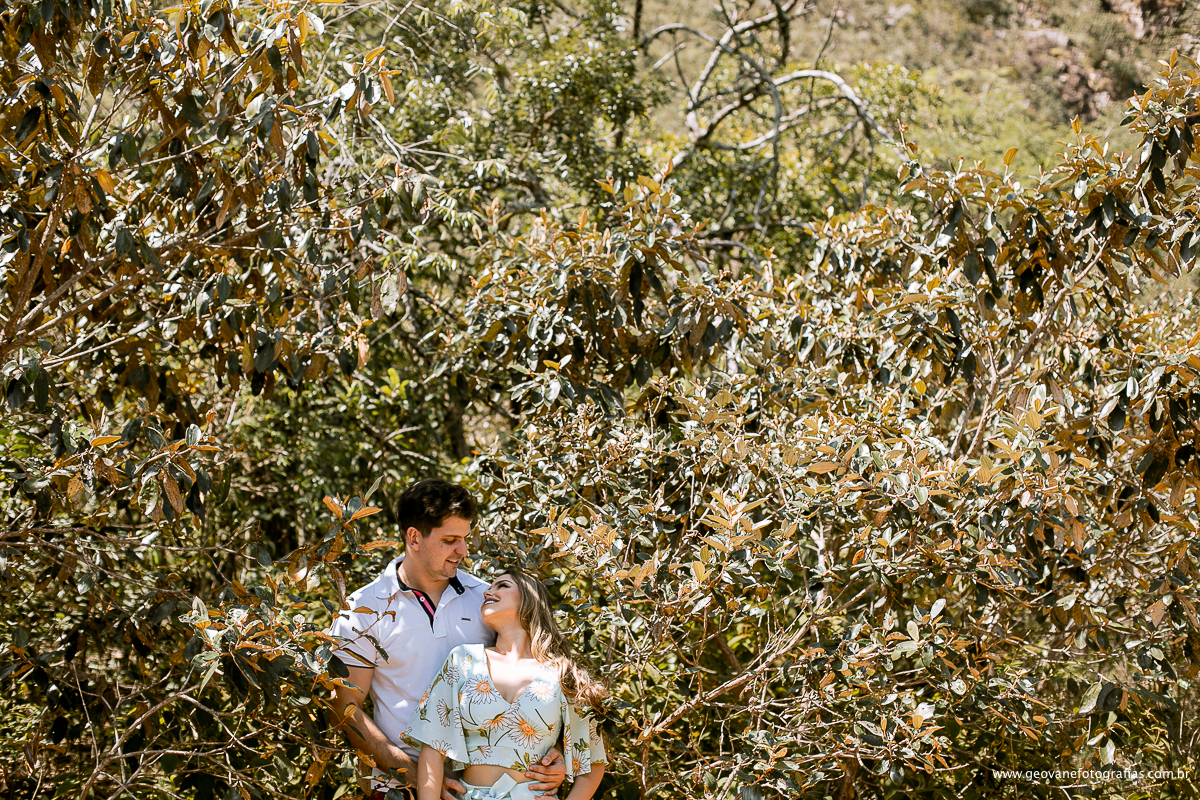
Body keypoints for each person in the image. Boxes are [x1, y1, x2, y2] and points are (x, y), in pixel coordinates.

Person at [328, 479, 567, 800]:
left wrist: (555, 750)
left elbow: (537, 675)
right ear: (414, 537)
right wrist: (418, 775)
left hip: (480, 790)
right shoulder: (361, 610)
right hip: (397, 786)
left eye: (465, 538)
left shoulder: (485, 600)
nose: (463, 551)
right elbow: (344, 707)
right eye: (451, 540)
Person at [405, 570, 607, 800]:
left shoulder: (562, 673)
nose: (488, 592)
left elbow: (592, 761)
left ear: (530, 599)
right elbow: (433, 746)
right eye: (489, 588)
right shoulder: (463, 659)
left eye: (502, 585)